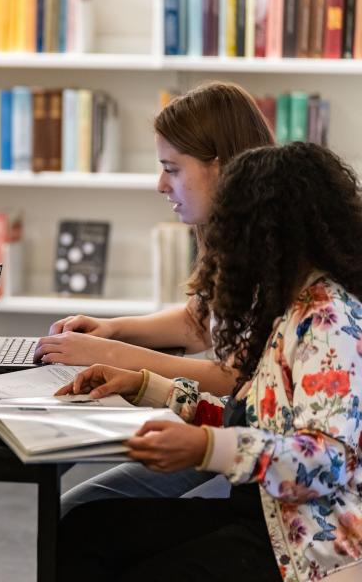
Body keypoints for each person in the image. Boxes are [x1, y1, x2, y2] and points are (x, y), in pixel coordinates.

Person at [55, 142, 362, 581]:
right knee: (84, 530)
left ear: (270, 235)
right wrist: (146, 387)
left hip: (310, 551)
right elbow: (259, 423)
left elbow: (323, 464)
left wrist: (204, 448)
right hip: (266, 521)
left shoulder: (328, 320)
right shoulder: (290, 307)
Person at [35, 82, 276, 512]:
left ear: (219, 168)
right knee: (82, 509)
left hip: (242, 435)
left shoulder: (270, 251)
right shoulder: (232, 233)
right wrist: (113, 328)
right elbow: (198, 321)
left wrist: (113, 352)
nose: (161, 184)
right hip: (222, 419)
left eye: (173, 168)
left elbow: (232, 379)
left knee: (83, 513)